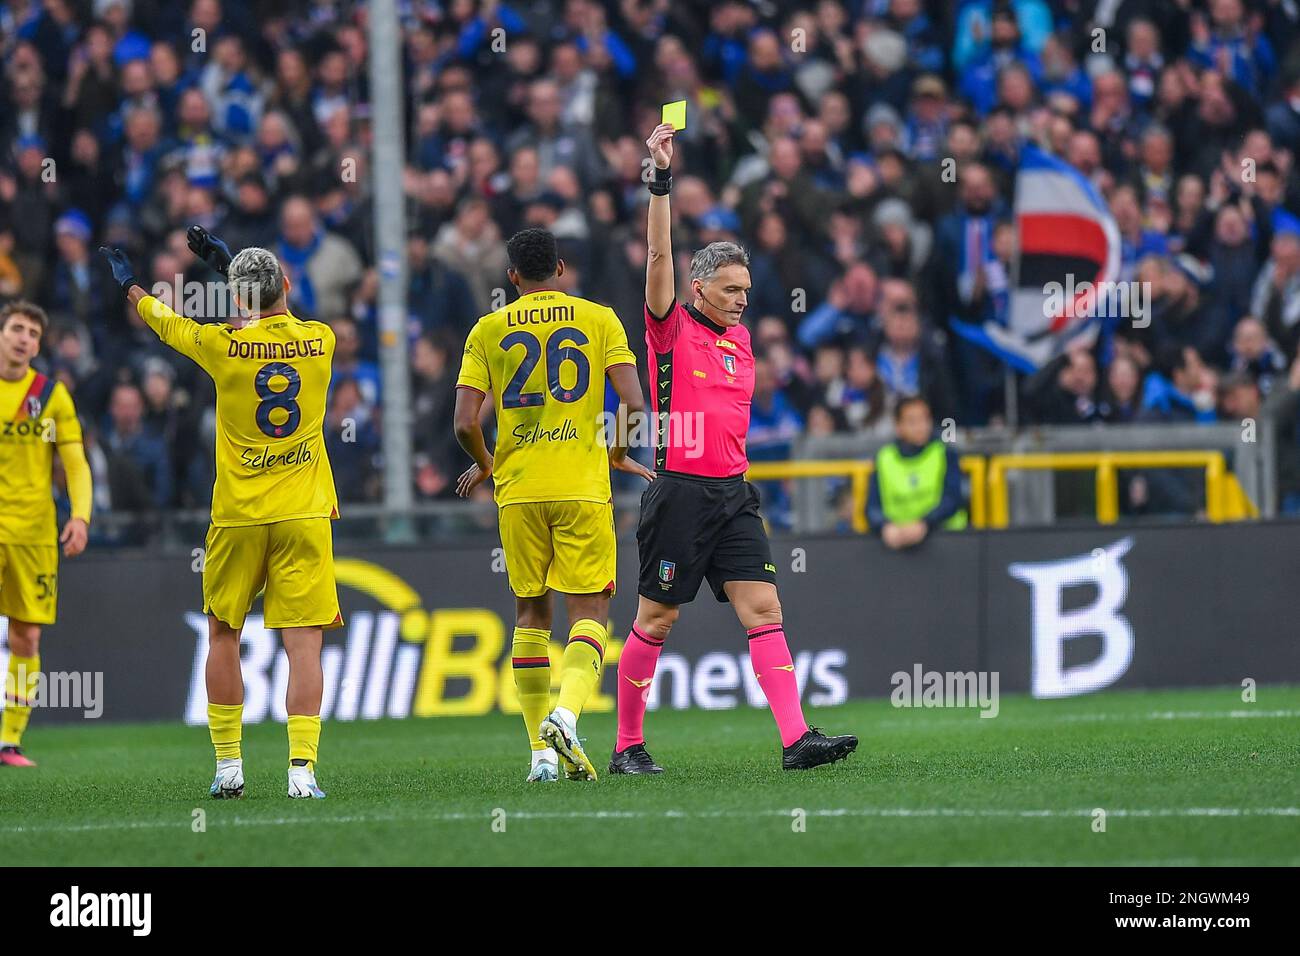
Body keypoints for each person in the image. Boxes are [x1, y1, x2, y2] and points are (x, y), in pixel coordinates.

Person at [612, 123, 857, 774]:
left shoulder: (741, 340)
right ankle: (626, 746)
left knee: (764, 607)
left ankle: (796, 738)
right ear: (700, 291)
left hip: (732, 493)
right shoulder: (670, 330)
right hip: (681, 494)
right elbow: (659, 259)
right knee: (657, 618)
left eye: (746, 292)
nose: (743, 302)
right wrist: (660, 179)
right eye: (731, 292)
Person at [99, 226, 340, 800]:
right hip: (304, 513)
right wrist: (232, 266)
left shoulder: (221, 346)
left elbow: (162, 319)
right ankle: (301, 771)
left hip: (236, 516)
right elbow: (282, 319)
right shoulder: (323, 341)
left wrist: (131, 284)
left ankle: (229, 766)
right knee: (303, 643)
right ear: (285, 283)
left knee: (223, 634)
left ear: (234, 301)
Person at [453, 227, 651, 783]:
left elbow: (465, 422)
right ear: (561, 269)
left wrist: (488, 464)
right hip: (582, 486)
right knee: (589, 615)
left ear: (512, 277)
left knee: (530, 614)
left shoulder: (487, 329)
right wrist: (615, 452)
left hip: (519, 491)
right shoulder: (598, 318)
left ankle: (541, 756)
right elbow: (634, 401)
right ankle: (565, 715)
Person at [0, 302, 92, 767]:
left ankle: (9, 742)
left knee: (27, 637)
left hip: (35, 533)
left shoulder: (50, 395)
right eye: (17, 328)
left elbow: (74, 461)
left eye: (33, 334)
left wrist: (80, 516)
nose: (24, 339)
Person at [868, 396, 966, 549]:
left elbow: (952, 499)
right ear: (898, 426)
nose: (921, 426)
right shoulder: (883, 458)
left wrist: (924, 523)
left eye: (924, 419)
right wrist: (884, 527)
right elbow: (872, 507)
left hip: (946, 540)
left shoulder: (945, 453)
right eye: (912, 421)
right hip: (896, 540)